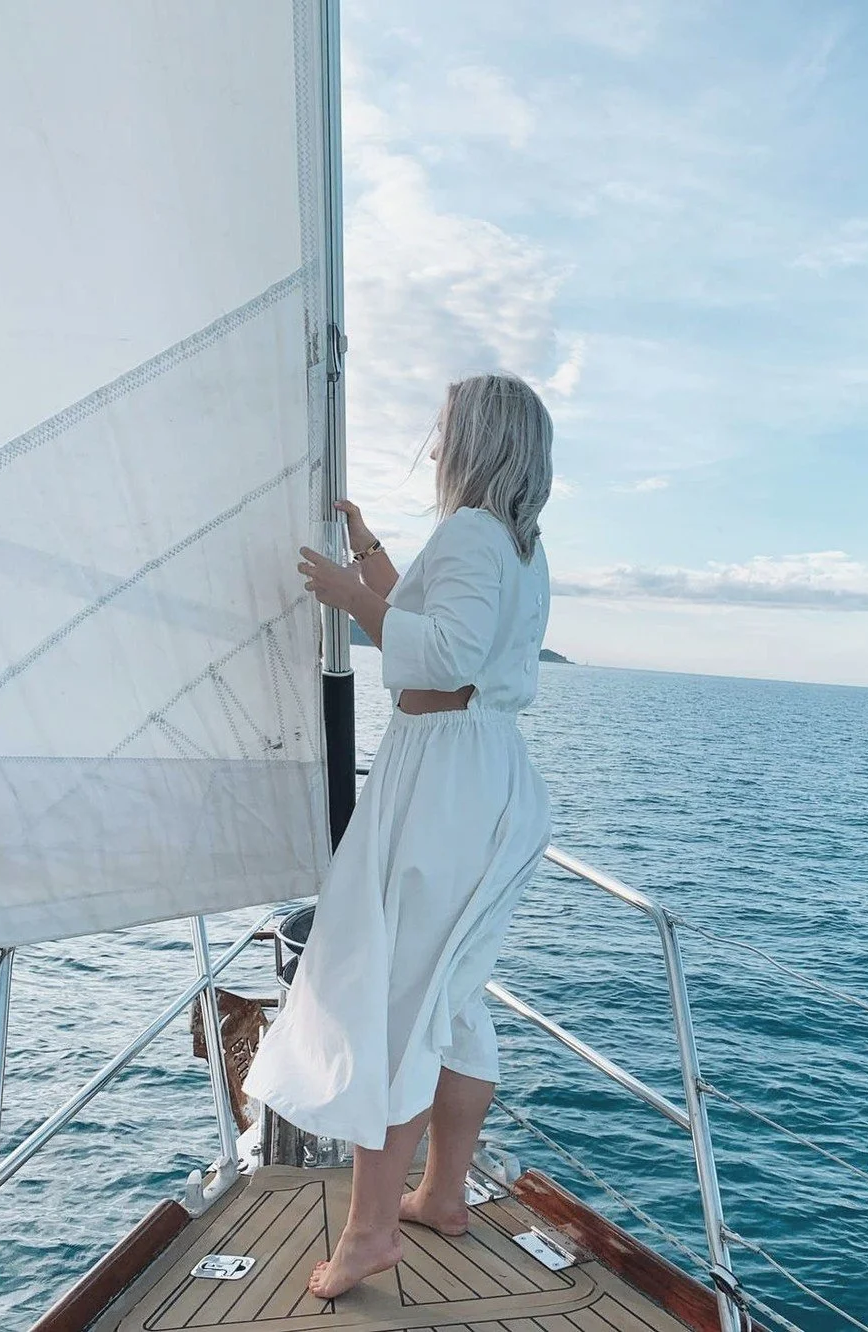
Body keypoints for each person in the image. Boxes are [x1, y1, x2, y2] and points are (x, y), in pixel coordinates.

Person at [242, 372, 554, 1300]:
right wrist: (371, 552)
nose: (434, 438)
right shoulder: (515, 545)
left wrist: (348, 594)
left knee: (399, 1004)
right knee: (452, 1002)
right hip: (491, 776)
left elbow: (443, 657)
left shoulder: (468, 535)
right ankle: (443, 1196)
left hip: (443, 783)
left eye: (446, 426)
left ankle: (370, 1236)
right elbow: (437, 627)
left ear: (476, 441)